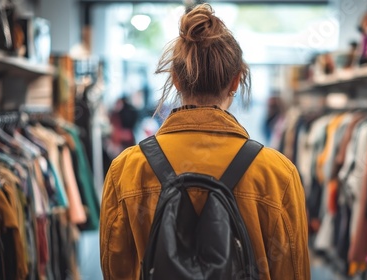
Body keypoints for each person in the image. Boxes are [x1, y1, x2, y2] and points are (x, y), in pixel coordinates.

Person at [100, 4, 310, 280]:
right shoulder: (277, 173)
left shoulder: (127, 169)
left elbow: (116, 269)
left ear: (175, 79)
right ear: (236, 81)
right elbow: (293, 271)